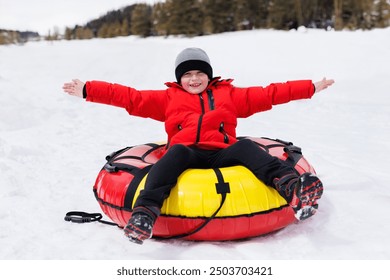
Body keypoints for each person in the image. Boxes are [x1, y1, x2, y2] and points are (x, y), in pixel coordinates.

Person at [63, 47, 334, 245]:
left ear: (209, 76)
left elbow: (269, 93)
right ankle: (144, 214)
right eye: (188, 74)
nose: (194, 79)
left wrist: (310, 87)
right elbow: (130, 98)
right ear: (179, 78)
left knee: (247, 148)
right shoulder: (169, 98)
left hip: (223, 152)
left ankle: (292, 188)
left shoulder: (229, 94)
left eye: (200, 73)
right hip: (187, 153)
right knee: (176, 152)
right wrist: (89, 90)